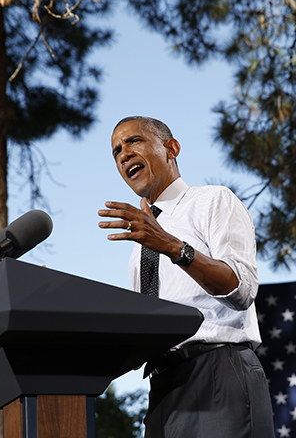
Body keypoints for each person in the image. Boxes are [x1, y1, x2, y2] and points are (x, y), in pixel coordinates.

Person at [97, 116, 274, 438]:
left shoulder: (212, 200)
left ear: (171, 148)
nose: (123, 154)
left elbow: (241, 289)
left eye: (133, 141)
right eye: (116, 151)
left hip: (217, 371)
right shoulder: (140, 246)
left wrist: (171, 245)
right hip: (162, 388)